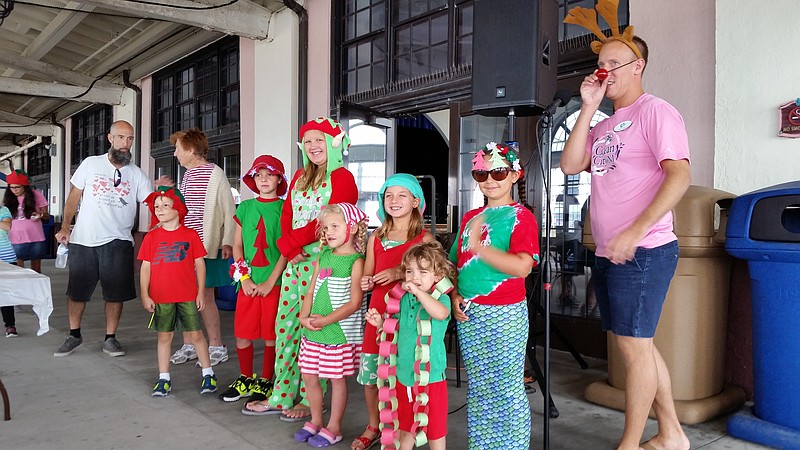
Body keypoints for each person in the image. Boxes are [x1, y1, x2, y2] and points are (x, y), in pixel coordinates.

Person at [561, 3, 692, 448]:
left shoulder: (657, 112)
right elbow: (570, 164)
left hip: (646, 250)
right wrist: (587, 108)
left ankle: (630, 444)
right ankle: (671, 433)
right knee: (638, 347)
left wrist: (636, 231)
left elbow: (680, 175)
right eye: (599, 66)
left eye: (613, 64)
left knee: (635, 349)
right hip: (610, 252)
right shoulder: (604, 124)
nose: (604, 72)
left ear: (639, 66)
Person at [252, 117, 358, 421]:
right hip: (296, 265)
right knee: (285, 328)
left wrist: (288, 244)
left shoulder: (343, 178)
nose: (313, 146)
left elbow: (331, 222)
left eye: (320, 139)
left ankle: (313, 399)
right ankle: (281, 394)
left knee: (317, 329)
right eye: (308, 140)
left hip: (325, 266)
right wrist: (290, 247)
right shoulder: (299, 175)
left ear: (334, 144)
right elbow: (288, 212)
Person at [449, 142, 540, 450]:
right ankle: (482, 445)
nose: (490, 179)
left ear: (515, 175)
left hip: (505, 313)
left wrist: (481, 248)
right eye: (481, 172)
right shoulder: (470, 217)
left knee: (506, 387)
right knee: (479, 387)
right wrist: (453, 295)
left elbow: (523, 267)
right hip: (470, 313)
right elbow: (455, 264)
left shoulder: (521, 216)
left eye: (498, 171)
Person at [54, 120, 153, 357]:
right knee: (77, 292)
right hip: (84, 239)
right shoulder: (91, 164)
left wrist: (166, 193)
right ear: (110, 138)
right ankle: (73, 334)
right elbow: (73, 198)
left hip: (118, 241)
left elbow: (152, 203)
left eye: (129, 139)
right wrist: (66, 227)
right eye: (120, 138)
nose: (125, 143)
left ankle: (110, 338)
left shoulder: (137, 174)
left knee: (115, 293)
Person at [353, 173, 434, 450]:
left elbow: (437, 275)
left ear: (415, 201)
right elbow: (367, 274)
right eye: (389, 195)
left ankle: (401, 430)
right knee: (372, 375)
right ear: (381, 201)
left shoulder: (424, 238)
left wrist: (400, 271)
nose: (394, 200)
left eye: (402, 195)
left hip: (408, 318)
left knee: (401, 378)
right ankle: (374, 424)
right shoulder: (377, 236)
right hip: (377, 314)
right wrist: (366, 281)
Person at [365, 241, 454, 450]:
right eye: (410, 272)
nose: (414, 277)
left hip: (430, 378)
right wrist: (380, 323)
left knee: (435, 430)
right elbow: (396, 331)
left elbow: (440, 314)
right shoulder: (404, 301)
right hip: (403, 376)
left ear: (438, 277)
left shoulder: (441, 299)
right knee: (405, 426)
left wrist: (418, 291)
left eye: (423, 272)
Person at [292, 202, 366, 447]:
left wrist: (325, 320)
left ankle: (333, 426)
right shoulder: (323, 255)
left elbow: (355, 303)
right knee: (309, 376)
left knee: (336, 379)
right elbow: (312, 289)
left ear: (353, 228)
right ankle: (315, 419)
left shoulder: (356, 261)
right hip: (313, 330)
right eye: (326, 227)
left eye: (335, 226)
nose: (329, 232)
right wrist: (304, 317)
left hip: (337, 333)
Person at [219, 155, 288, 409]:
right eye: (259, 175)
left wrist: (271, 281)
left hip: (274, 283)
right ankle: (246, 377)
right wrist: (244, 277)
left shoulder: (284, 208)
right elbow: (237, 246)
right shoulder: (245, 208)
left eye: (269, 175)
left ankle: (266, 380)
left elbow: (285, 249)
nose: (264, 180)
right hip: (246, 283)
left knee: (271, 334)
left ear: (279, 179)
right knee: (243, 333)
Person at [138, 187, 218, 397]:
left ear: (178, 209)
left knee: (195, 334)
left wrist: (201, 292)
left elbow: (199, 264)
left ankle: (208, 373)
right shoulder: (151, 237)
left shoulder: (190, 235)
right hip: (161, 296)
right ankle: (164, 378)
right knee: (164, 337)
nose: (160, 210)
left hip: (187, 295)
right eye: (156, 207)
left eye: (166, 205)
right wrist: (145, 294)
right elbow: (146, 267)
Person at [167, 128, 235, 368]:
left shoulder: (215, 173)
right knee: (184, 296)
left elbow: (229, 210)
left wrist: (227, 240)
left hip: (207, 247)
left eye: (178, 149)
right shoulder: (186, 176)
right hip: (184, 248)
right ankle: (190, 344)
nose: (175, 154)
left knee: (205, 296)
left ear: (191, 150)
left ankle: (216, 346)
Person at [4, 170, 49, 274]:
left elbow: (46, 215)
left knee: (36, 271)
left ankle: (36, 289)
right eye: (11, 187)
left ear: (24, 186)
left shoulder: (36, 195)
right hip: (15, 239)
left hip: (36, 238)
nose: (14, 190)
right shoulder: (8, 199)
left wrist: (40, 215)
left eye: (17, 187)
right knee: (18, 271)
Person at [1, 203, 18, 337]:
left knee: (5, 294)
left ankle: (10, 325)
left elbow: (7, 226)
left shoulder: (4, 210)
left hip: (6, 258)